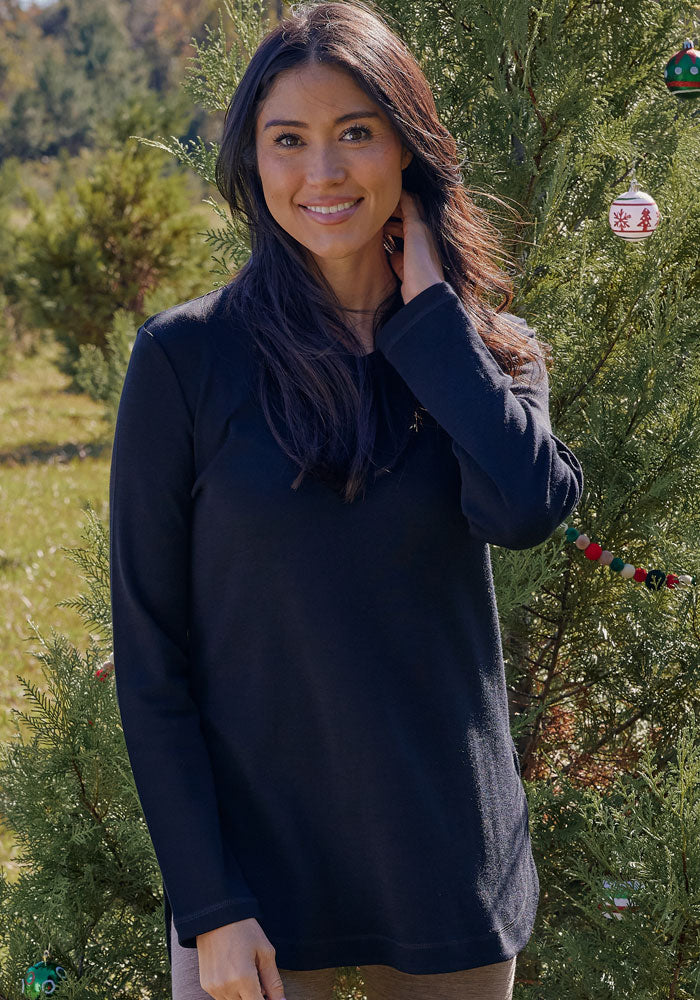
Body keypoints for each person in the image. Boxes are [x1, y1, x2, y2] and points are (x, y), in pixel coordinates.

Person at [108, 2, 585, 999]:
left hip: (448, 863)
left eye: (354, 134)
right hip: (253, 884)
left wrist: (432, 329)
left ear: (405, 151)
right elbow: (152, 663)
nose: (321, 174)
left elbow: (526, 510)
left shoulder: (489, 354)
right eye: (289, 140)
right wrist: (208, 907)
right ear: (253, 161)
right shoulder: (185, 360)